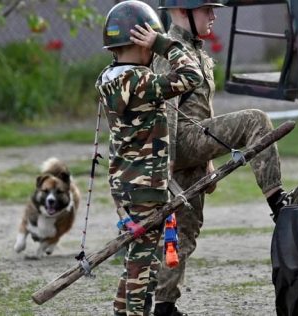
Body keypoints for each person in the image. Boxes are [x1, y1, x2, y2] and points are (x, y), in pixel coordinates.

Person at [151, 1, 298, 315]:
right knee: (255, 120)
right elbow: (167, 110)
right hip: (178, 142)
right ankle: (278, 202)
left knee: (185, 229)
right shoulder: (169, 52)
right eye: (206, 9)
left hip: (193, 144)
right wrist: (167, 163)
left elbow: (200, 109)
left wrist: (208, 160)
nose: (213, 15)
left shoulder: (194, 50)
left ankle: (164, 306)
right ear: (182, 12)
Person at [95, 1, 203, 315]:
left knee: (135, 257)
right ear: (142, 45)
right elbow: (192, 75)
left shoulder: (108, 79)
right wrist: (165, 44)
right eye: (150, 48)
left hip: (123, 182)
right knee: (145, 262)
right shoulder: (142, 82)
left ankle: (120, 311)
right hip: (144, 184)